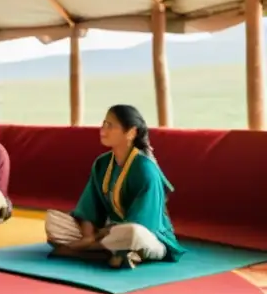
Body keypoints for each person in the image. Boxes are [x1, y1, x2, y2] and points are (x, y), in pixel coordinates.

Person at [45, 104, 185, 269]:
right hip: (105, 234)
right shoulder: (102, 163)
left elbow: (144, 224)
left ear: (131, 133)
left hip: (148, 236)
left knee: (132, 233)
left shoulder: (145, 169)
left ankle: (85, 251)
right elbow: (88, 209)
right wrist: (89, 236)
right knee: (53, 222)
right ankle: (108, 252)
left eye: (110, 126)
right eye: (103, 124)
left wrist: (100, 235)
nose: (103, 130)